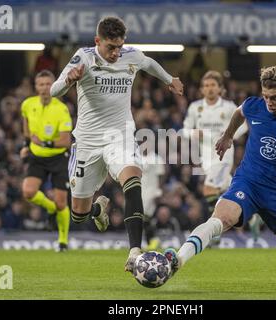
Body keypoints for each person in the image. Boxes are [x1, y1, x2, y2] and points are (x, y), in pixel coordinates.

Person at [164, 65, 276, 285]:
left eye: (275, 98)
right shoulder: (254, 105)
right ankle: (176, 261)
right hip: (246, 183)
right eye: (266, 96)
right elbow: (239, 113)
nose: (270, 102)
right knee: (220, 219)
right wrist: (228, 135)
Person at [50, 16, 184, 272]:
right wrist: (70, 79)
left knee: (133, 180)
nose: (115, 52)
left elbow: (149, 64)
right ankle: (99, 208)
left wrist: (169, 79)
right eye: (110, 47)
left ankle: (135, 252)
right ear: (97, 41)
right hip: (87, 141)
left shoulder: (131, 55)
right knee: (78, 214)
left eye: (119, 46)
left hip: (119, 136)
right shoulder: (83, 57)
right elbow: (54, 91)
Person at [183, 70, 247, 219]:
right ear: (202, 89)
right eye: (206, 85)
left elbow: (243, 126)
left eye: (213, 85)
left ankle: (215, 227)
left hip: (222, 154)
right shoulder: (195, 107)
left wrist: (229, 136)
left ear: (220, 88)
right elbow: (185, 129)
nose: (209, 88)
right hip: (205, 157)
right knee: (228, 188)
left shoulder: (229, 106)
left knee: (209, 189)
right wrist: (193, 133)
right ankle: (255, 210)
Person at [20, 70, 72, 252]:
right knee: (28, 192)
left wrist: (44, 142)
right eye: (40, 84)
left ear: (54, 85)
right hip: (37, 157)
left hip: (58, 157)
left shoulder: (61, 109)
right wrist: (26, 145)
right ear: (35, 87)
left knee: (61, 203)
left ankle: (63, 241)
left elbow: (66, 142)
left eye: (48, 84)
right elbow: (26, 128)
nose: (44, 88)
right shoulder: (27, 104)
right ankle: (50, 209)